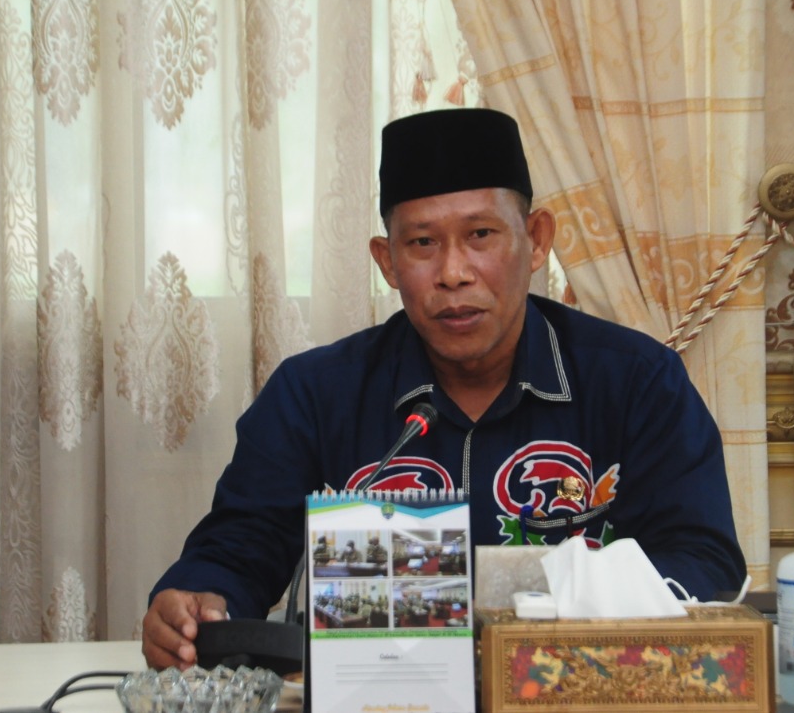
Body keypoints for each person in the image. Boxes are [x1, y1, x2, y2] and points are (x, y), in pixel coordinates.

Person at [141, 107, 746, 670]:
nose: (453, 273)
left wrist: (559, 601)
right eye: (423, 244)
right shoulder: (314, 394)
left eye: (481, 234)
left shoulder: (637, 381)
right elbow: (239, 548)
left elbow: (703, 562)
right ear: (387, 261)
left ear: (536, 239)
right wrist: (198, 602)